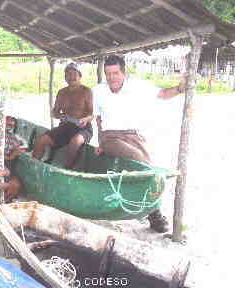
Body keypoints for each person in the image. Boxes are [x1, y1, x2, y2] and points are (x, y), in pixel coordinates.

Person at [92, 55, 187, 233]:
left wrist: (181, 87)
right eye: (108, 74)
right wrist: (100, 142)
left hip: (134, 135)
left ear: (124, 72)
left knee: (148, 167)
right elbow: (98, 119)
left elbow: (163, 94)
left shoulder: (137, 86)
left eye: (115, 73)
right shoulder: (98, 91)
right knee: (139, 161)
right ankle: (155, 215)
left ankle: (152, 211)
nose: (112, 77)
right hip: (110, 137)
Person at [32, 63, 94, 169]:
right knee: (40, 140)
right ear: (65, 78)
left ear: (80, 76)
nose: (71, 77)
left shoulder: (86, 91)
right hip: (65, 127)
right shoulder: (62, 93)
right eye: (68, 75)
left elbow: (93, 114)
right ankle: (33, 166)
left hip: (83, 128)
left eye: (74, 74)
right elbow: (54, 112)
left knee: (75, 142)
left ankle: (66, 170)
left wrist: (86, 119)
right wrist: (60, 116)